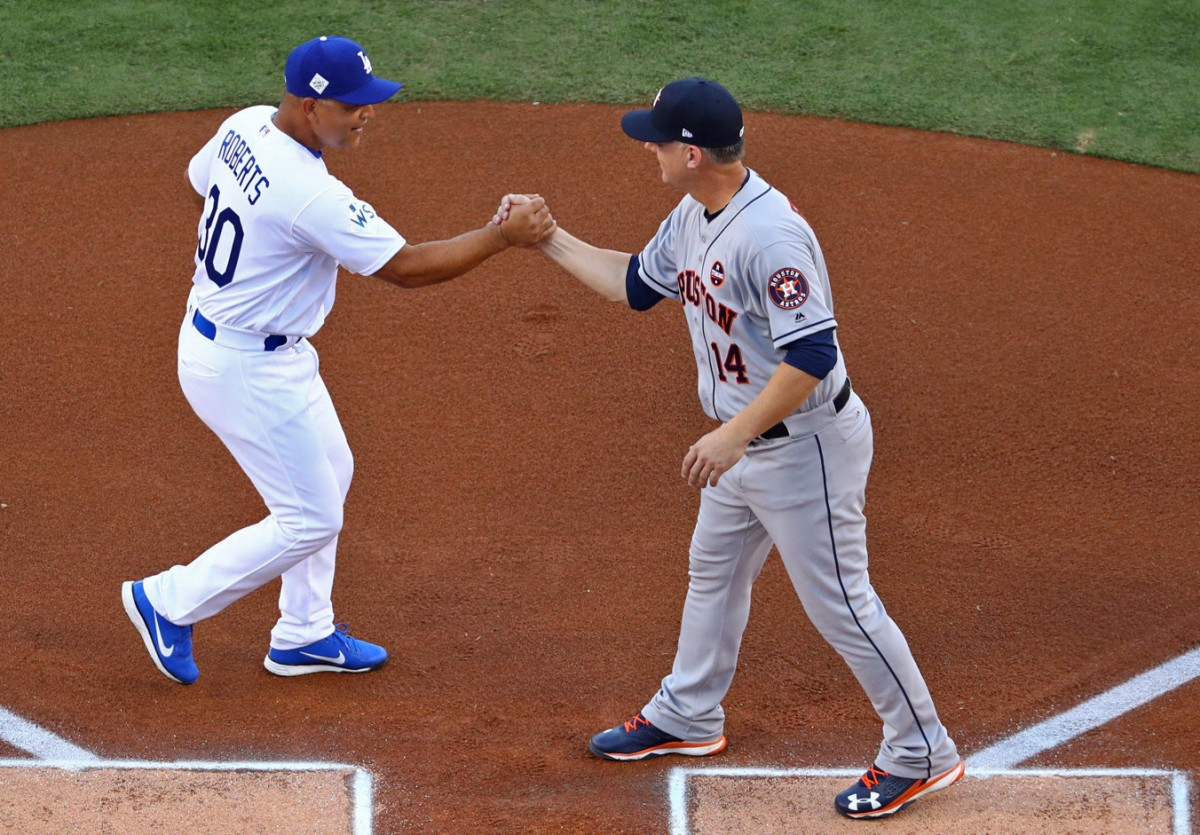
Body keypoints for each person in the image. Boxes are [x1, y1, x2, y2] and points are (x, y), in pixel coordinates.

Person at [509, 77, 963, 819]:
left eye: (656, 139)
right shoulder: (695, 211)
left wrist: (733, 432)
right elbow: (634, 285)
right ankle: (688, 715)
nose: (647, 148)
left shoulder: (770, 235)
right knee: (713, 572)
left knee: (843, 604)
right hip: (745, 446)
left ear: (690, 153)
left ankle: (921, 750)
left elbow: (813, 352)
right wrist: (549, 238)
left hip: (802, 448)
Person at [121, 35, 554, 686]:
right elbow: (406, 268)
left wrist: (265, 249)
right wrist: (502, 236)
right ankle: (169, 599)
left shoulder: (244, 125)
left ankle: (304, 632)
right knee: (310, 516)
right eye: (352, 104)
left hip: (253, 345)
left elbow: (199, 184)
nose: (366, 114)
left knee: (333, 469)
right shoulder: (308, 193)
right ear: (307, 106)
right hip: (242, 366)